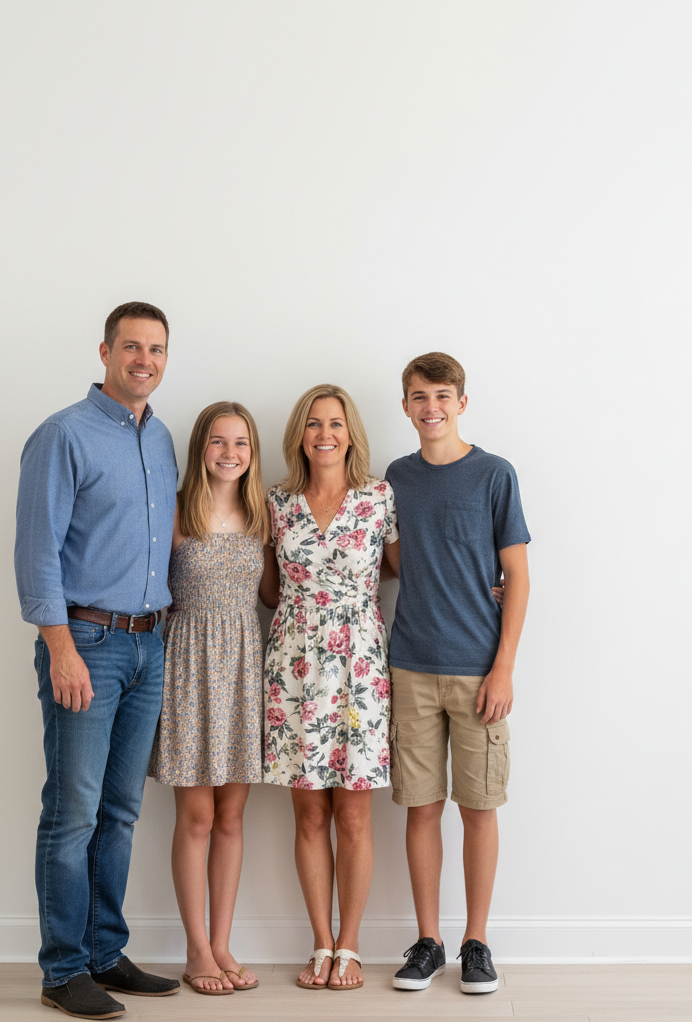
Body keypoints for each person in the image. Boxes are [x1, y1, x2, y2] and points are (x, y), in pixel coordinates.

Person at [15, 302, 181, 1020]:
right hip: (86, 645)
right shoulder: (62, 435)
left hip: (150, 645)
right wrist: (60, 651)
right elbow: (35, 553)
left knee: (120, 811)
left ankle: (105, 953)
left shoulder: (164, 437)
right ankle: (62, 969)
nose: (144, 360)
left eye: (157, 349)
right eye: (132, 347)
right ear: (107, 350)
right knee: (73, 813)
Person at [385, 352, 530, 995]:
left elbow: (519, 577)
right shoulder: (395, 478)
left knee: (478, 808)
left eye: (442, 395)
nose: (431, 407)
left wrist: (503, 668)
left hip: (477, 670)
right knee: (420, 808)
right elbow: (389, 559)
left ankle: (477, 941)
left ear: (462, 402)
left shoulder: (495, 475)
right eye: (419, 396)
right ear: (407, 405)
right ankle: (429, 941)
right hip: (410, 664)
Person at [263, 384, 400, 991]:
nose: (325, 433)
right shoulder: (277, 502)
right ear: (300, 433)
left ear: (351, 434)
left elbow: (408, 571)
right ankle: (320, 942)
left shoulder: (378, 498)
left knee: (353, 814)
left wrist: (489, 587)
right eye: (314, 423)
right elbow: (268, 587)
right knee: (309, 812)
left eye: (336, 424)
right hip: (293, 667)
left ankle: (351, 946)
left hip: (360, 670)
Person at [148, 402, 279, 995]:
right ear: (201, 448)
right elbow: (146, 586)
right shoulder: (175, 511)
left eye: (242, 443)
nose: (231, 453)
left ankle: (223, 942)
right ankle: (196, 949)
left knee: (231, 817)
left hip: (245, 669)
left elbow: (279, 592)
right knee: (196, 817)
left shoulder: (262, 515)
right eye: (219, 442)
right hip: (188, 667)